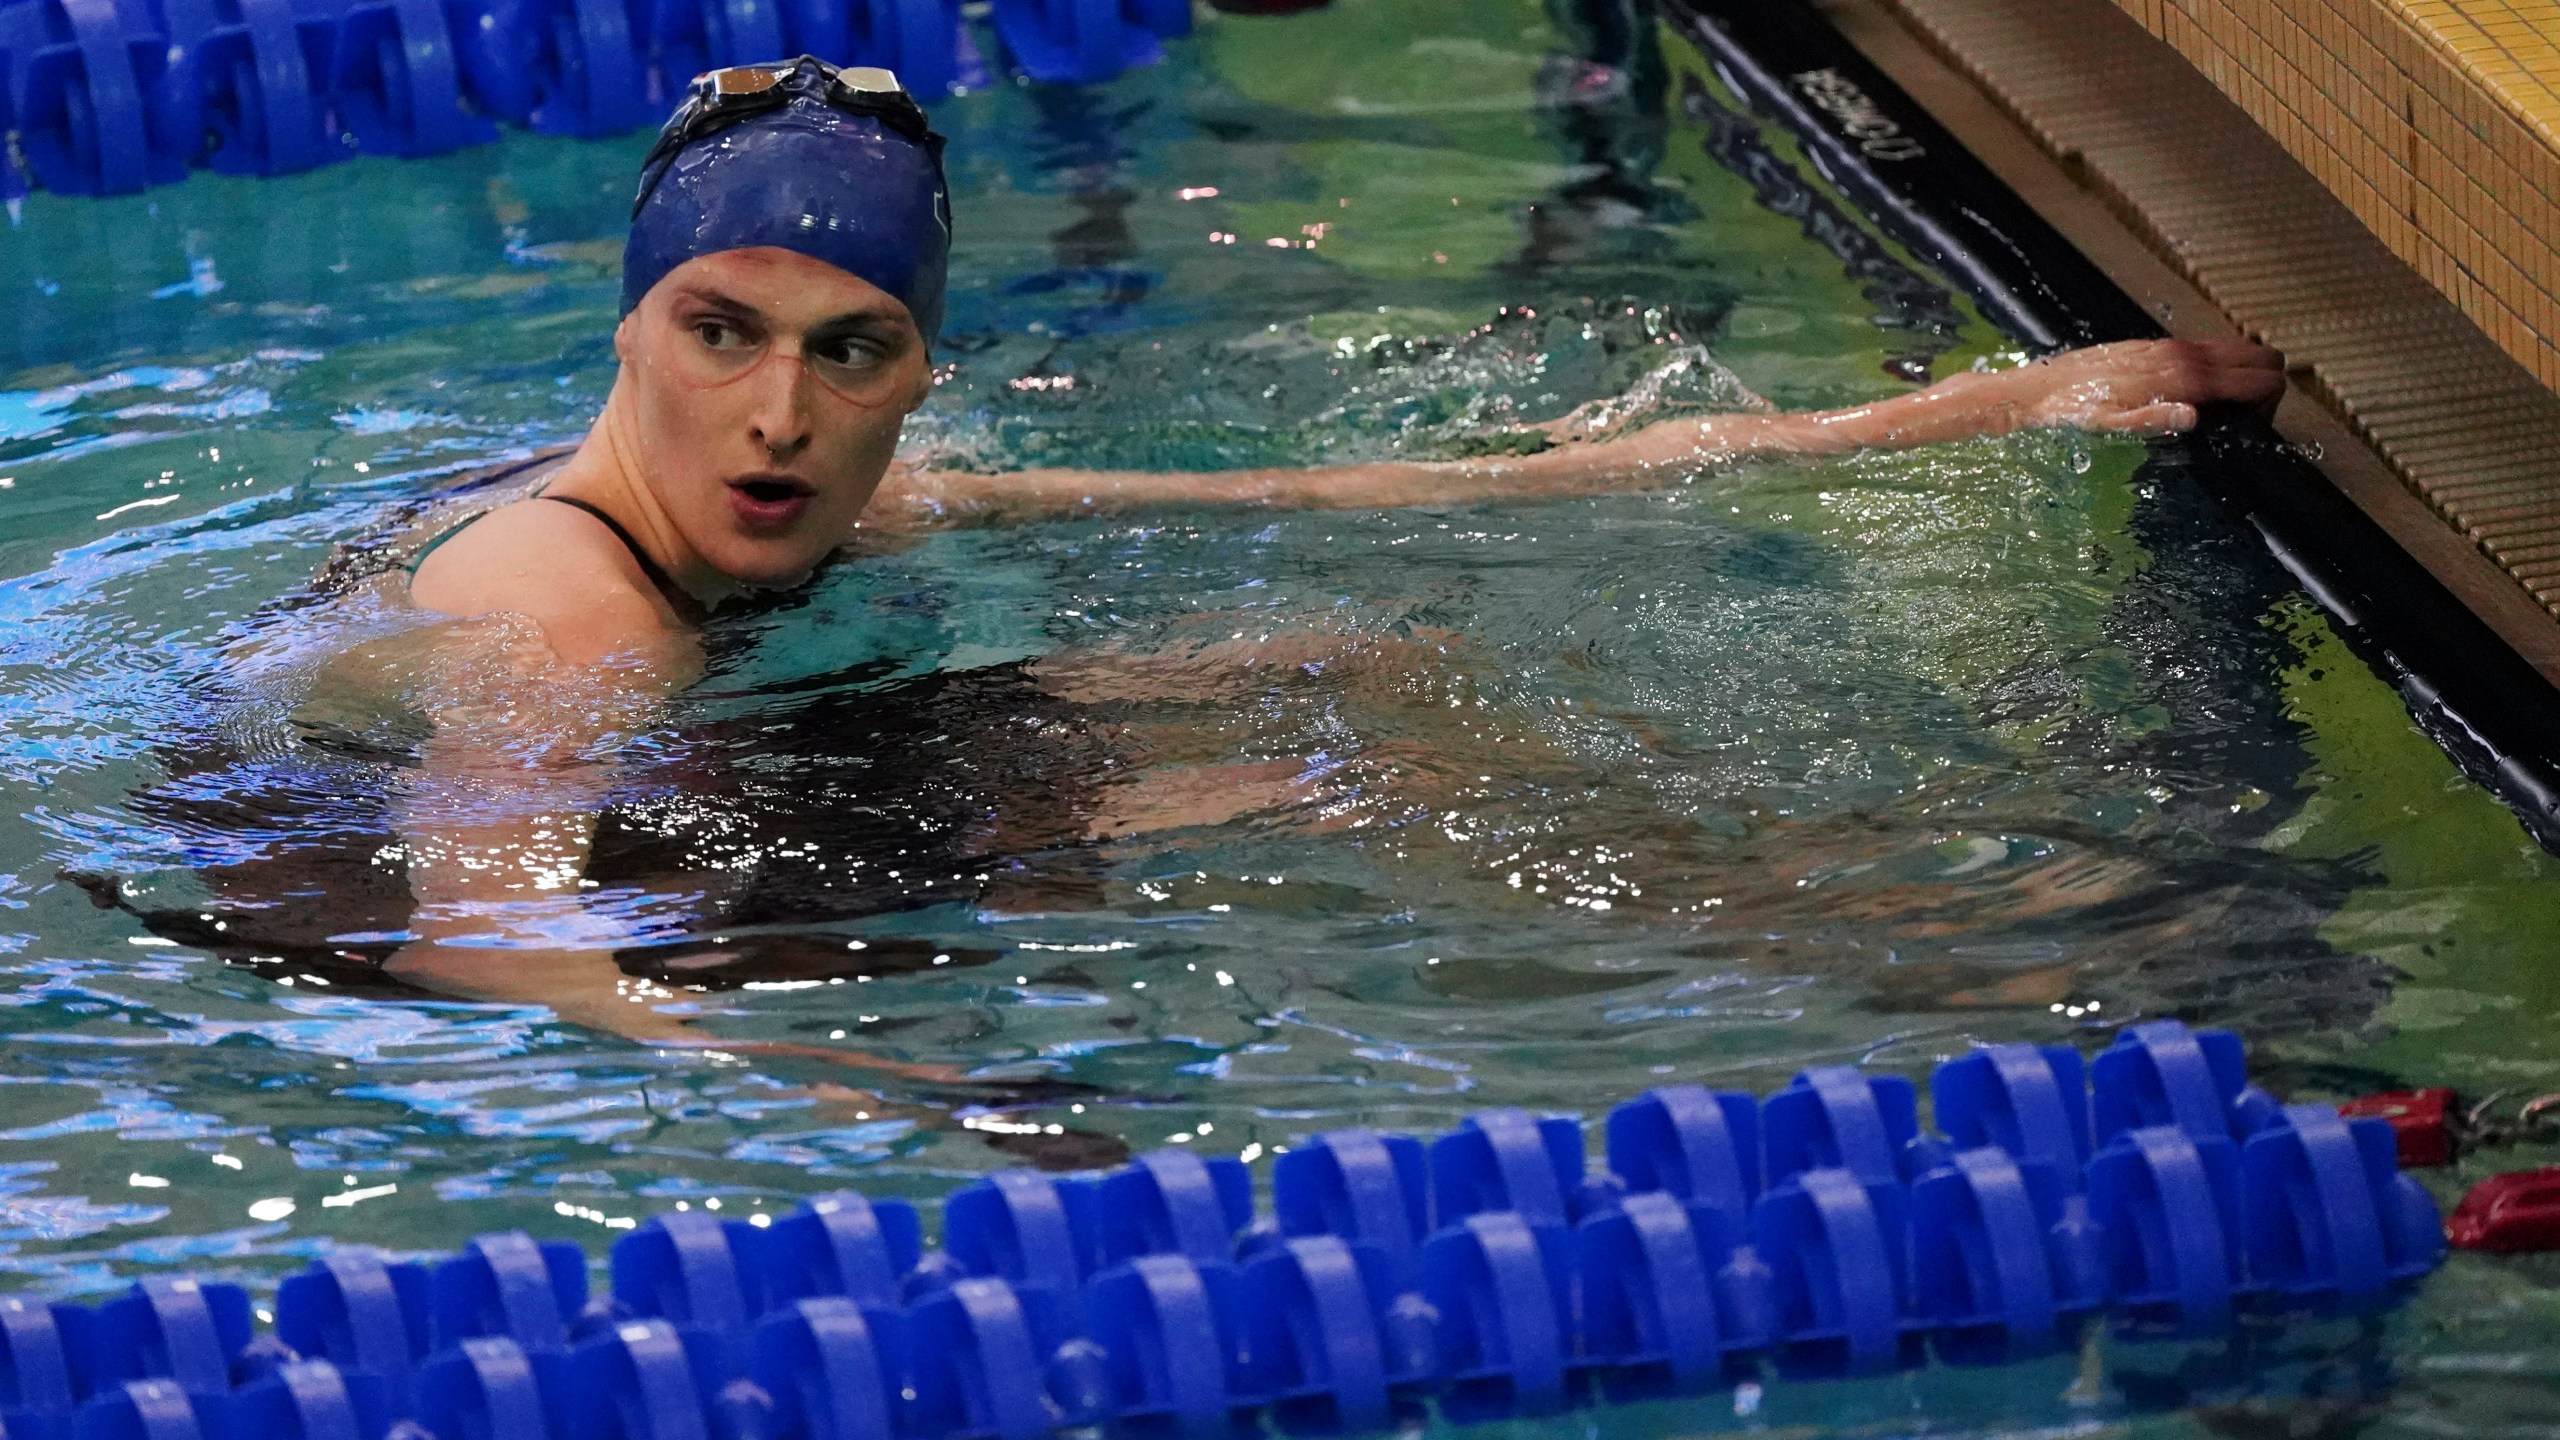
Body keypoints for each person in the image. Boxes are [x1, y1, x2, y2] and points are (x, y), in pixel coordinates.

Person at [133, 58, 2288, 1084]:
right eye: (721, 337)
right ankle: (1952, 970)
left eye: (844, 353)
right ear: (625, 335)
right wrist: (892, 1090)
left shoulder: (856, 501)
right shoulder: (561, 600)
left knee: (1338, 646)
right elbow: (489, 937)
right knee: (1312, 752)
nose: (778, 417)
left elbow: (1428, 494)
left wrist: (1968, 410)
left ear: (914, 372)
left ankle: (1908, 942)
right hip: (335, 905)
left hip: (689, 810)